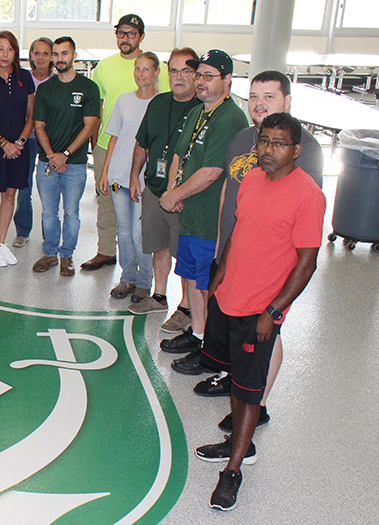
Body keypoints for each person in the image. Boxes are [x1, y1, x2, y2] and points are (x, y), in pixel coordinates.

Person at [194, 113, 325, 511]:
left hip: (260, 311)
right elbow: (238, 231)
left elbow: (307, 263)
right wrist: (217, 281)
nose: (268, 150)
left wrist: (274, 311)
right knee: (236, 380)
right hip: (230, 297)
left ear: (296, 150)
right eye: (264, 141)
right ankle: (239, 441)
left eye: (279, 143)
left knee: (250, 394)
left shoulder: (308, 195)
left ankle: (233, 471)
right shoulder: (250, 180)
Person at [190, 70, 325, 429]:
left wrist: (277, 304)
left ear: (288, 102)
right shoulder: (245, 138)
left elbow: (302, 235)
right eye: (253, 96)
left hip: (271, 274)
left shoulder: (305, 151)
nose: (259, 103)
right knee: (237, 333)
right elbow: (229, 192)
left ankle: (258, 403)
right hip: (238, 256)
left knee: (265, 335)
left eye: (269, 96)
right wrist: (222, 249)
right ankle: (238, 384)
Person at [158, 50, 249, 357]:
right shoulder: (198, 112)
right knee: (191, 278)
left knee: (207, 285)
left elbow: (212, 172)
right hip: (190, 215)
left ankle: (211, 346)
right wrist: (174, 190)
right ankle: (198, 334)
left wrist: (175, 195)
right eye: (199, 75)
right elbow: (178, 156)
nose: (200, 82)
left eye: (209, 76)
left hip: (212, 219)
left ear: (227, 80)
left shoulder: (231, 118)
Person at [83, 13, 170, 272]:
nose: (125, 38)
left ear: (141, 37)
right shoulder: (104, 66)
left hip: (145, 150)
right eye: (121, 33)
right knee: (106, 201)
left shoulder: (158, 67)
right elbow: (96, 106)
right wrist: (94, 140)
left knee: (140, 216)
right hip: (109, 144)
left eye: (131, 33)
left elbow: (164, 103)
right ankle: (106, 252)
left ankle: (143, 272)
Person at [126, 48, 201, 334]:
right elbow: (142, 143)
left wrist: (180, 192)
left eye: (186, 71)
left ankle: (186, 307)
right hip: (155, 189)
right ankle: (159, 295)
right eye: (174, 71)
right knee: (159, 246)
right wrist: (135, 175)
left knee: (184, 255)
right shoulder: (158, 103)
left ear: (195, 75)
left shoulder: (201, 109)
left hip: (184, 197)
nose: (179, 77)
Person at [31, 36, 101, 277]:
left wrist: (66, 155)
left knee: (71, 212)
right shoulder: (45, 89)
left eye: (64, 54)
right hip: (47, 163)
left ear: (74, 56)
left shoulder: (88, 88)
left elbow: (89, 125)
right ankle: (50, 252)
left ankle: (67, 256)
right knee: (49, 212)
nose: (59, 58)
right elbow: (38, 125)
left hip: (76, 164)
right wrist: (52, 155)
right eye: (56, 54)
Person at [100, 52, 159, 301]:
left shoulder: (161, 103)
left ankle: (145, 281)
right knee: (123, 231)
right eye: (137, 69)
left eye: (146, 69)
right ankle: (128, 278)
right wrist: (105, 172)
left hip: (145, 179)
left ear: (157, 72)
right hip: (118, 176)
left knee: (138, 233)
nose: (141, 74)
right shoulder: (123, 101)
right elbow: (114, 137)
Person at [0, 30, 34, 267]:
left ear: (16, 53)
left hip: (18, 148)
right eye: (0, 49)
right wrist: (3, 143)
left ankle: (1, 243)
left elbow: (31, 114)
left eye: (10, 49)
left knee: (10, 194)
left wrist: (19, 143)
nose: (5, 54)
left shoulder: (25, 77)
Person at [12, 36, 54, 249]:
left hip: (50, 141)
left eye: (46, 53)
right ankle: (22, 231)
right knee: (24, 186)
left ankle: (50, 234)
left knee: (49, 190)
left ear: (52, 56)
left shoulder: (57, 80)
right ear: (30, 55)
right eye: (36, 53)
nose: (41, 57)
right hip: (27, 139)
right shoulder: (23, 78)